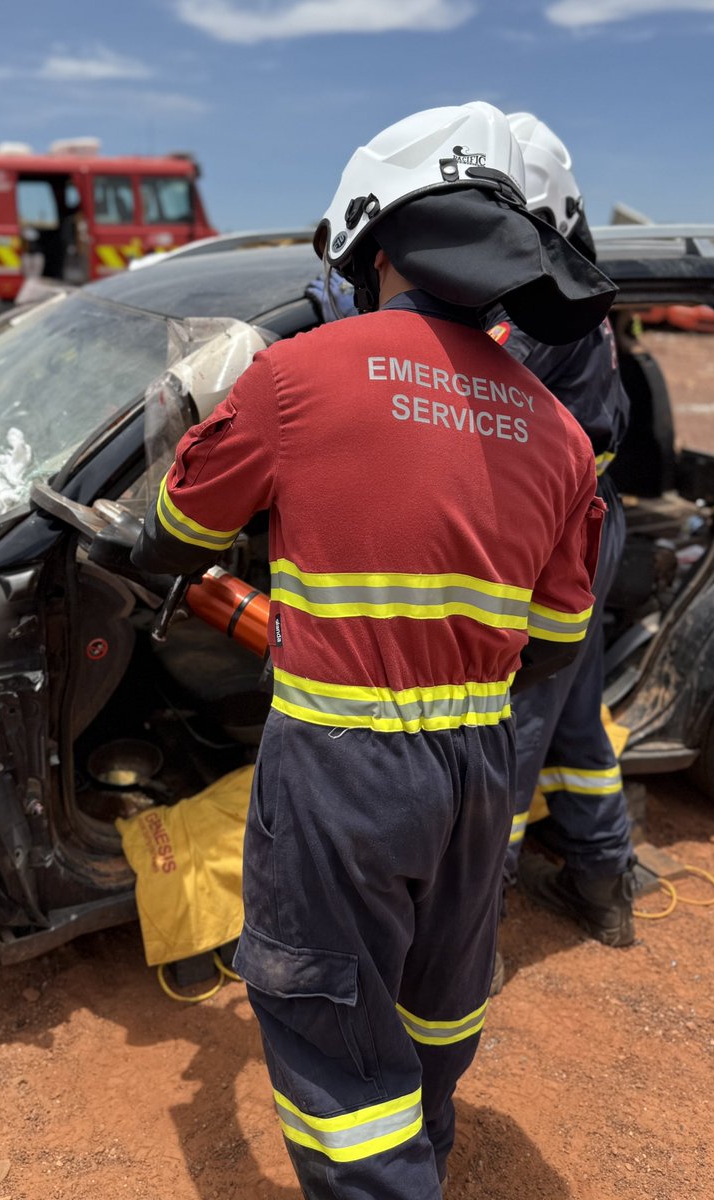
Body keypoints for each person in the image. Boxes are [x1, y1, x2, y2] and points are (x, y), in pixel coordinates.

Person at [132, 101, 616, 1199]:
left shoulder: (298, 377)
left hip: (341, 770)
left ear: (372, 242)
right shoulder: (561, 435)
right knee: (434, 1005)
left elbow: (178, 538)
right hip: (482, 770)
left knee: (334, 1064)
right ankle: (425, 1145)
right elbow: (552, 646)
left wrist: (223, 433)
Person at [490, 114, 636, 950]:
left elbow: (466, 378)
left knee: (513, 724)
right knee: (576, 718)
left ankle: (475, 924)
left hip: (553, 536)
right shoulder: (569, 273)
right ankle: (599, 880)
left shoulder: (546, 303)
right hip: (587, 518)